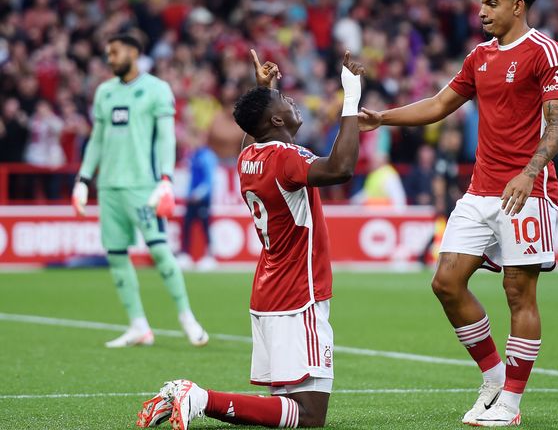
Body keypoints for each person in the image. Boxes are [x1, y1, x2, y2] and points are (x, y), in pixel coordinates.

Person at [358, 0, 558, 426]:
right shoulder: (480, 57)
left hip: (527, 191)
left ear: (518, 5)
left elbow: (557, 124)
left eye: (492, 3)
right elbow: (438, 104)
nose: (482, 11)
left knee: (518, 291)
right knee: (446, 283)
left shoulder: (545, 52)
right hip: (480, 190)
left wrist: (530, 172)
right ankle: (493, 378)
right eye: (481, 2)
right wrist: (383, 119)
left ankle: (511, 403)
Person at [136, 50, 365, 429]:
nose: (292, 101)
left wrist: (263, 90)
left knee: (289, 408)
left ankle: (194, 398)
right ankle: (197, 397)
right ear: (276, 119)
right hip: (299, 295)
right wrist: (352, 96)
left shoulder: (248, 158)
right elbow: (341, 168)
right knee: (310, 417)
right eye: (284, 100)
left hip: (268, 293)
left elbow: (251, 138)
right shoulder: (287, 157)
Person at [71, 33, 208, 348]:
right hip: (109, 188)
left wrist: (166, 179)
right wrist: (83, 179)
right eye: (107, 53)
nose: (110, 58)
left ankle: (187, 316)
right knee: (117, 255)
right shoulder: (104, 92)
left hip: (143, 185)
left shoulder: (157, 90)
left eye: (115, 52)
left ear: (133, 52)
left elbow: (165, 138)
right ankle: (138, 326)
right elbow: (97, 140)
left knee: (160, 250)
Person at [177, 127, 219, 271]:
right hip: (191, 199)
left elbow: (209, 179)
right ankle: (185, 255)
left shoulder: (207, 156)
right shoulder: (192, 156)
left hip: (202, 200)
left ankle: (210, 256)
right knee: (187, 227)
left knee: (205, 227)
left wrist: (199, 194)